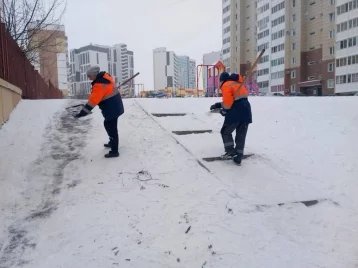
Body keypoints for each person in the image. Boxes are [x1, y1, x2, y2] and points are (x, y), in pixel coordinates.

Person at [75, 66, 124, 158]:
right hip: (115, 106)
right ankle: (112, 143)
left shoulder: (100, 85)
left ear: (94, 75)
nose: (88, 78)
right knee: (109, 125)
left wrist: (82, 113)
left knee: (111, 127)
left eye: (89, 76)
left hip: (112, 108)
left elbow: (92, 102)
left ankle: (114, 151)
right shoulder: (105, 78)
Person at [210, 72, 252, 165]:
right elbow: (235, 99)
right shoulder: (237, 84)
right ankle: (238, 157)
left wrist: (223, 111)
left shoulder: (226, 84)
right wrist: (218, 105)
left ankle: (230, 152)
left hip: (236, 112)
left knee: (225, 131)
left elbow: (228, 103)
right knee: (241, 135)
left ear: (223, 80)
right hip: (246, 111)